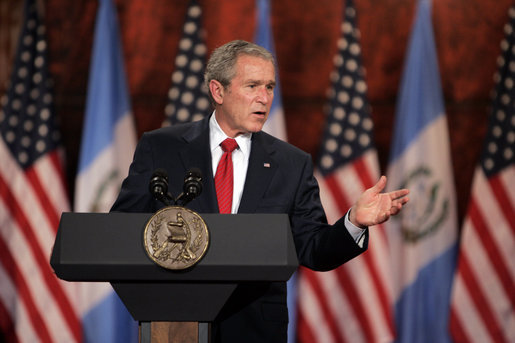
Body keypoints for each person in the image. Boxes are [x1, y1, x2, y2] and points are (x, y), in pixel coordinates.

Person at [111, 39, 409, 343]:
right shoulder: (162, 148)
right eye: (252, 86)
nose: (264, 98)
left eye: (269, 87)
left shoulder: (292, 164)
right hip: (175, 324)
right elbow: (122, 228)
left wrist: (354, 222)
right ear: (218, 91)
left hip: (255, 329)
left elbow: (314, 250)